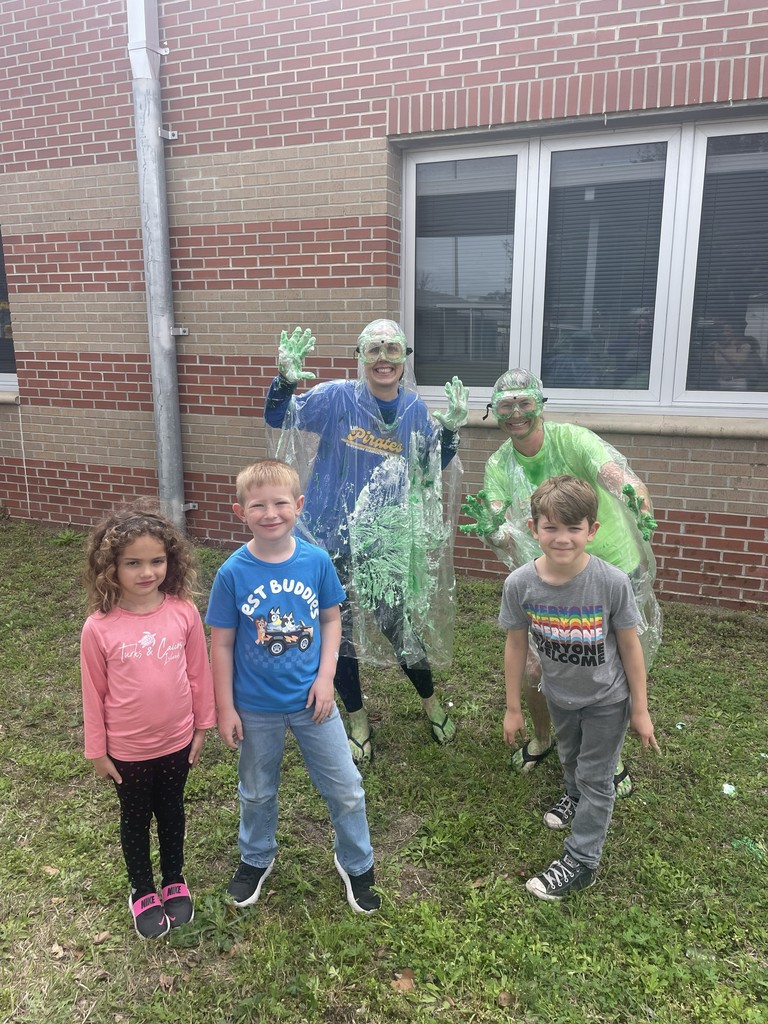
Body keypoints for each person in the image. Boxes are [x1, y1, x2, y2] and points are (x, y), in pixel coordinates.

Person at [263, 320, 468, 765]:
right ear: (360, 356)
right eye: (373, 349)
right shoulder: (338, 397)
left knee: (398, 626)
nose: (382, 359)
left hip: (383, 537)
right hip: (327, 535)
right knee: (340, 631)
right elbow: (279, 417)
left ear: (404, 358)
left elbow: (429, 468)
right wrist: (283, 381)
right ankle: (357, 717)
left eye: (392, 349)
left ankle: (430, 702)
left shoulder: (414, 411)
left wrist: (449, 433)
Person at [461, 368, 661, 797]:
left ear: (540, 404)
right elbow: (497, 516)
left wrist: (632, 493)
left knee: (613, 662)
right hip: (549, 576)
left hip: (612, 565)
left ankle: (609, 751)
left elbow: (610, 470)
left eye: (524, 404)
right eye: (505, 406)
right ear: (493, 412)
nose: (516, 414)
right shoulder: (499, 463)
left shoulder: (571, 439)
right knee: (539, 663)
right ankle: (543, 734)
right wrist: (493, 527)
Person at [206, 459, 380, 914]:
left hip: (313, 703)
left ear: (298, 506)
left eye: (280, 503)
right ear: (239, 511)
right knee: (257, 790)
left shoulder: (315, 561)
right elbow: (221, 645)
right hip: (254, 707)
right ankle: (256, 857)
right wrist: (225, 708)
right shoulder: (232, 573)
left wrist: (326, 679)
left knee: (346, 787)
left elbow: (330, 620)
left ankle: (357, 863)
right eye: (258, 505)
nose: (270, 513)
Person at [500, 476, 660, 900]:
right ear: (533, 529)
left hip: (608, 699)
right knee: (570, 756)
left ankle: (582, 859)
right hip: (558, 695)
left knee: (596, 777)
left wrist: (640, 711)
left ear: (592, 530)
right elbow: (516, 645)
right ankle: (573, 796)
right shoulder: (520, 585)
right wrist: (513, 707)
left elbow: (630, 646)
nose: (563, 538)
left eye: (574, 528)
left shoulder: (610, 583)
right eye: (551, 527)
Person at [80, 503, 216, 939]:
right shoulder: (99, 628)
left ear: (170, 561)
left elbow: (199, 672)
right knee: (136, 819)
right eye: (133, 563)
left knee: (172, 811)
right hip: (128, 751)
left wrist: (201, 728)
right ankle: (142, 889)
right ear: (110, 568)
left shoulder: (183, 613)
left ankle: (174, 879)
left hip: (177, 741)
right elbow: (93, 693)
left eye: (157, 561)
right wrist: (97, 751)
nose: (147, 572)